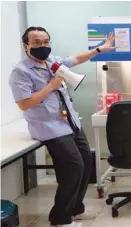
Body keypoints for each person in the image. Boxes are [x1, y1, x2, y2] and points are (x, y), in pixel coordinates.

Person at [8, 27, 115, 227]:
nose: (42, 46)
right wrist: (51, 86)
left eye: (46, 41)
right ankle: (60, 219)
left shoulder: (51, 63)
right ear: (26, 46)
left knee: (85, 161)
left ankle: (75, 208)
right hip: (49, 127)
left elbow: (76, 59)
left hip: (70, 121)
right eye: (37, 42)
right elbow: (24, 103)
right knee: (73, 167)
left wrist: (100, 50)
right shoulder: (20, 72)